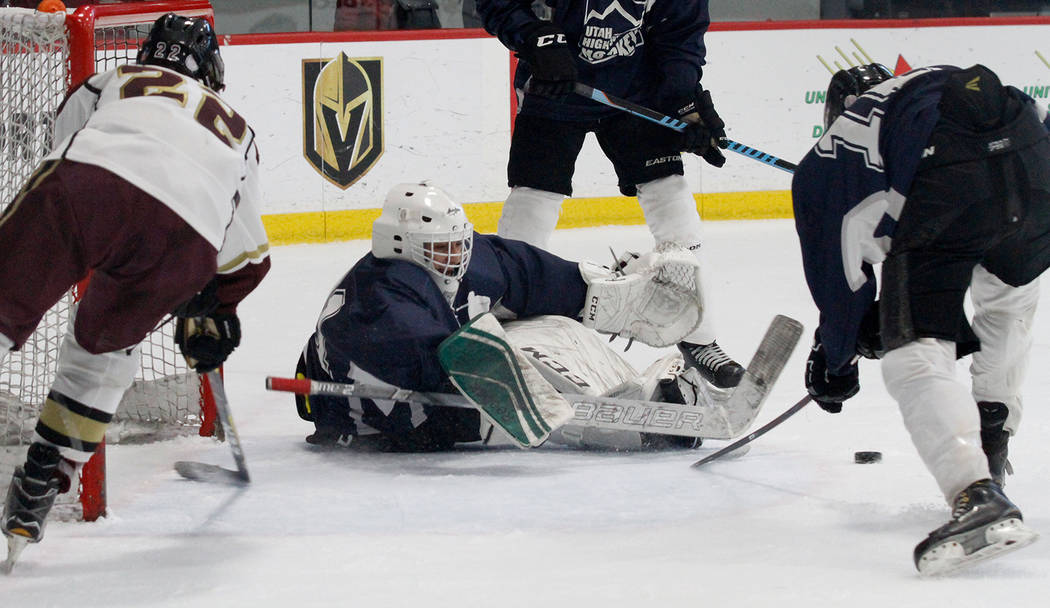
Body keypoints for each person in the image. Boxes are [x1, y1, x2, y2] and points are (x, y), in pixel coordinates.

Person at [0, 14, 270, 564]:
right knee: (100, 350)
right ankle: (44, 476)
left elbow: (67, 144)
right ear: (213, 70)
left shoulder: (109, 80)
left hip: (88, 184)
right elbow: (248, 259)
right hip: (185, 239)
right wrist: (213, 307)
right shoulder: (240, 132)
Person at [792, 63, 1046, 575]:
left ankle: (976, 494)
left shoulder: (828, 159)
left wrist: (838, 357)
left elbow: (842, 278)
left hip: (949, 179)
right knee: (1007, 300)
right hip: (1037, 163)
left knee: (915, 354)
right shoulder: (923, 89)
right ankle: (991, 442)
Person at [294, 182, 719, 453]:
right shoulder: (379, 298)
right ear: (401, 245)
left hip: (432, 386)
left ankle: (639, 393)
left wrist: (597, 294)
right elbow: (432, 357)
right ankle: (640, 423)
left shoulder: (463, 260)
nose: (457, 257)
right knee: (504, 355)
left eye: (458, 243)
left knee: (556, 326)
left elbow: (522, 272)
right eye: (443, 249)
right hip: (384, 414)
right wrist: (523, 386)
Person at [475, 0, 745, 389]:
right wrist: (536, 38)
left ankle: (700, 336)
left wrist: (685, 100)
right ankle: (504, 323)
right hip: (557, 86)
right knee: (531, 205)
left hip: (635, 97)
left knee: (673, 203)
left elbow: (679, 35)